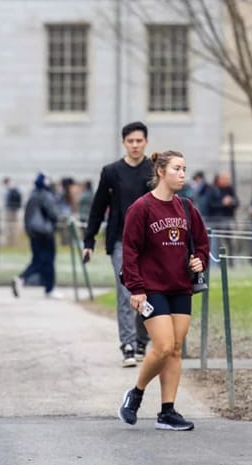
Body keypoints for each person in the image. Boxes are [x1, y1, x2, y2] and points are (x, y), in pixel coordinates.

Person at [117, 150, 209, 432]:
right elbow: (130, 252)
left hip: (180, 286)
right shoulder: (141, 208)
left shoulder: (186, 208)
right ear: (161, 172)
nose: (183, 174)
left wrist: (199, 260)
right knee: (164, 346)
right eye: (177, 169)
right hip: (151, 288)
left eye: (184, 169)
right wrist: (136, 288)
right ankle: (136, 393)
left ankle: (167, 412)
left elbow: (203, 244)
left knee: (176, 349)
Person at [82, 121, 153, 367]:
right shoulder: (112, 172)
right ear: (124, 143)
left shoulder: (154, 170)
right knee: (126, 293)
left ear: (146, 142)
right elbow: (98, 207)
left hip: (150, 242)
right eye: (130, 141)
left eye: (139, 141)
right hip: (121, 241)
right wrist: (89, 241)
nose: (135, 145)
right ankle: (128, 345)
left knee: (149, 292)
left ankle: (143, 339)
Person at [12, 173, 62, 299]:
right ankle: (49, 288)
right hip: (45, 233)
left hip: (33, 233)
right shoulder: (46, 195)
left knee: (37, 260)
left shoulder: (33, 194)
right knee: (47, 261)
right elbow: (54, 214)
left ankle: (21, 279)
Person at [204, 171, 238, 265]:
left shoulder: (229, 189)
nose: (228, 181)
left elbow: (236, 202)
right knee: (218, 244)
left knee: (229, 242)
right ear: (220, 179)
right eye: (226, 179)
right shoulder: (212, 189)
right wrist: (222, 203)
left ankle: (231, 263)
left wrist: (231, 202)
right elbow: (210, 204)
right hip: (216, 221)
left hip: (227, 220)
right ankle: (219, 264)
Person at [1, 177, 22, 246]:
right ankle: (12, 241)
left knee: (11, 226)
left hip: (10, 209)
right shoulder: (16, 188)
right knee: (13, 226)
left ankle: (12, 241)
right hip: (14, 209)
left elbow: (5, 200)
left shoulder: (8, 189)